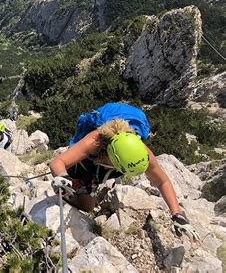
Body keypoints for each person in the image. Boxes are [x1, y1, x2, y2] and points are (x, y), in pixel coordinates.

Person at [50, 103, 199, 241]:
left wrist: (177, 214)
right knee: (83, 202)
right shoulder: (95, 141)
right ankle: (70, 190)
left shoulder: (140, 153)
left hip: (102, 168)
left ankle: (79, 190)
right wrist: (62, 177)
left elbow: (162, 181)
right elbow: (58, 162)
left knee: (88, 207)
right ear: (110, 157)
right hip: (86, 163)